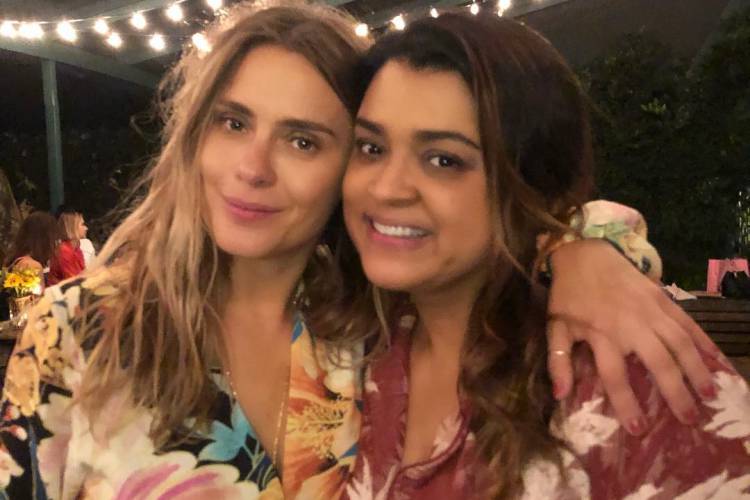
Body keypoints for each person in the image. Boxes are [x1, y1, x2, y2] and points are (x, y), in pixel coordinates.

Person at [0, 2, 722, 499]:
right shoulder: (81, 328)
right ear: (194, 136)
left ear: (349, 164)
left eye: (302, 140)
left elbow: (511, 220)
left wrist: (582, 249)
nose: (252, 167)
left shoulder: (372, 320)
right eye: (233, 122)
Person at [342, 12, 750, 499]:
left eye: (444, 160)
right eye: (371, 147)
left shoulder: (633, 370)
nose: (386, 188)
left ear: (537, 185)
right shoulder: (359, 345)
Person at [3, 210, 59, 284]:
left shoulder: (16, 260)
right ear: (45, 239)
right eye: (54, 238)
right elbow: (37, 292)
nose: (56, 242)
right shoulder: (32, 266)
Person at [47, 211, 86, 284]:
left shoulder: (76, 248)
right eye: (82, 224)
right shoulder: (64, 250)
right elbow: (73, 281)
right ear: (72, 227)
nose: (86, 228)